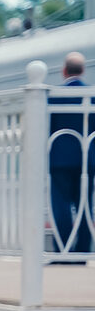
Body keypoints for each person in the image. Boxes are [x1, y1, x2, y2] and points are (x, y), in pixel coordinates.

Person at [49, 52, 91, 256]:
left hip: (60, 160)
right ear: (82, 71)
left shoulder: (55, 95)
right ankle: (83, 251)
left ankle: (63, 251)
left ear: (64, 71)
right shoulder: (91, 94)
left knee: (62, 206)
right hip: (87, 159)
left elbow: (49, 129)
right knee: (85, 204)